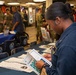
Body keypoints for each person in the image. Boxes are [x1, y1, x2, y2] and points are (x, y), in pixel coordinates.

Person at [36, 2, 76, 75]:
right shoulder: (72, 31)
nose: (51, 28)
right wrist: (56, 58)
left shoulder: (67, 45)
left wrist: (43, 66)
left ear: (57, 20)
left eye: (50, 25)